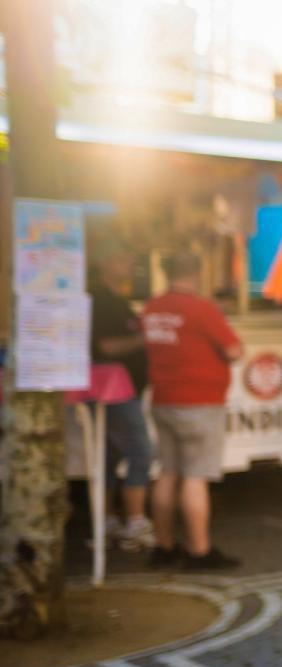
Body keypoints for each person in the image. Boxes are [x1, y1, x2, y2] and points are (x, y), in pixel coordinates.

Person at [143, 252, 245, 569]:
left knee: (167, 472)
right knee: (195, 476)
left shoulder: (152, 307)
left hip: (163, 397)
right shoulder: (202, 309)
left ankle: (163, 546)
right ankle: (199, 551)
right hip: (199, 401)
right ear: (198, 273)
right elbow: (234, 350)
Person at [88, 244, 155, 551]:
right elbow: (106, 347)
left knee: (109, 457)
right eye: (123, 257)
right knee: (140, 452)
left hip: (117, 393)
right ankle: (135, 523)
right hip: (112, 394)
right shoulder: (102, 301)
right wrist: (145, 339)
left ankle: (107, 523)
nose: (130, 263)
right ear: (104, 263)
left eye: (131, 258)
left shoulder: (115, 300)